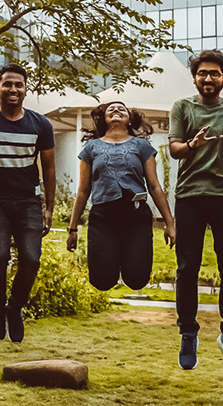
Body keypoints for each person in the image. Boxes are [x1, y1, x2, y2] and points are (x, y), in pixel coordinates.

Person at [166, 50, 223, 372]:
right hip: (190, 196)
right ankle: (188, 333)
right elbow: (174, 148)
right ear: (194, 77)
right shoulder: (183, 107)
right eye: (203, 73)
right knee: (187, 268)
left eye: (214, 73)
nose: (208, 78)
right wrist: (192, 145)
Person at [0, 64, 55, 344]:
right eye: (7, 84)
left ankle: (14, 307)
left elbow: (49, 169)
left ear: (26, 89)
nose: (13, 89)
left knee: (31, 258)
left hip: (29, 200)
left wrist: (49, 208)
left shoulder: (41, 124)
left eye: (18, 84)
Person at [66, 101, 177, 291]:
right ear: (104, 119)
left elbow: (154, 186)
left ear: (129, 119)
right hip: (103, 217)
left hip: (135, 216)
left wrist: (170, 223)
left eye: (122, 109)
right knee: (102, 280)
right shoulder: (91, 148)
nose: (116, 110)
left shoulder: (142, 146)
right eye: (111, 109)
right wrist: (72, 228)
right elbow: (83, 191)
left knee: (137, 279)